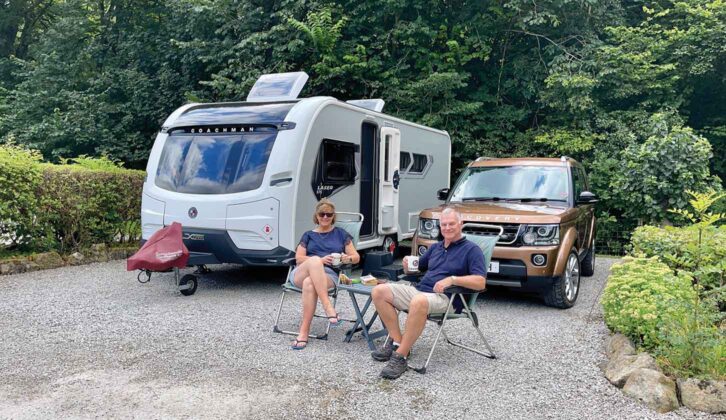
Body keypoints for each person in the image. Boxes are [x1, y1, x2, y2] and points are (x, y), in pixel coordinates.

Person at [370, 207, 486, 379]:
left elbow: (480, 282)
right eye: (444, 225)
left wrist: (452, 279)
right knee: (379, 291)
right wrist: (407, 264)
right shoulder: (436, 247)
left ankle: (400, 356)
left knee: (419, 301)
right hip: (421, 290)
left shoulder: (471, 250)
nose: (447, 228)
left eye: (451, 224)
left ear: (461, 224)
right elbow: (416, 268)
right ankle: (397, 342)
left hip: (448, 298)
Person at [290, 198, 360, 350]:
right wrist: (320, 260)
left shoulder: (341, 234)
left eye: (329, 214)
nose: (325, 217)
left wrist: (345, 258)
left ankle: (303, 332)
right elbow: (299, 258)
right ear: (317, 216)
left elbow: (356, 257)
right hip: (301, 272)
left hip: (328, 275)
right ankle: (328, 307)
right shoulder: (308, 235)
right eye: (322, 214)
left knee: (310, 283)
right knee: (315, 261)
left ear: (333, 216)